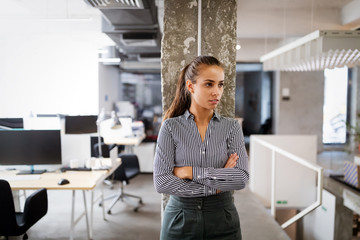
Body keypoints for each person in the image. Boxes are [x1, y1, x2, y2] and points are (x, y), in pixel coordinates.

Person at [153, 55, 249, 240]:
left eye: (220, 84)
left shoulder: (231, 127)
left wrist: (190, 172)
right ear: (191, 86)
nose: (217, 92)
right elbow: (162, 182)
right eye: (209, 84)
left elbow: (240, 178)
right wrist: (218, 184)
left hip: (223, 219)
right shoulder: (171, 127)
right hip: (180, 220)